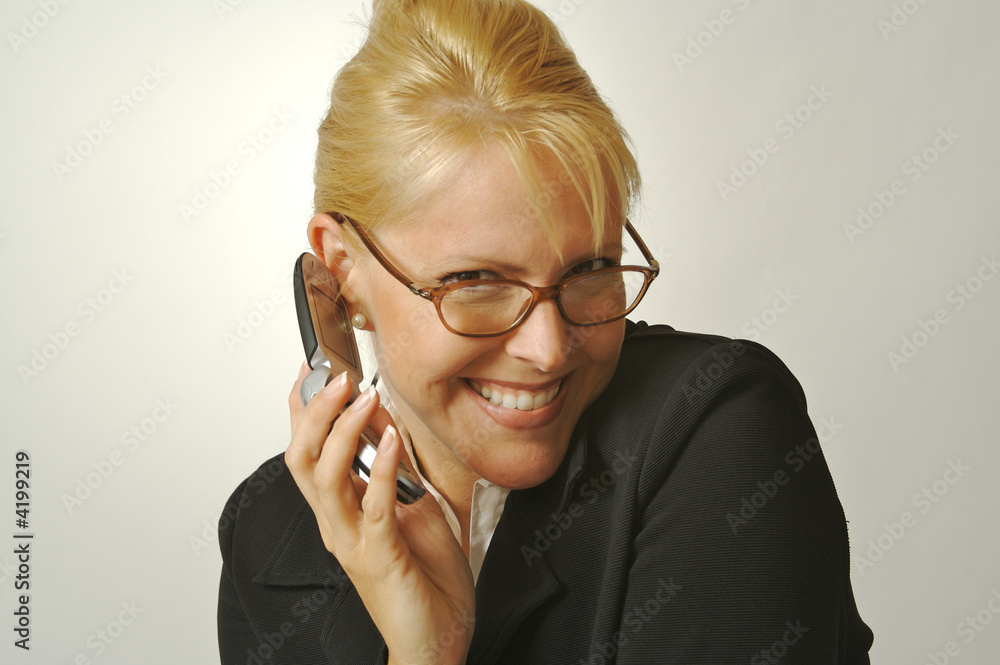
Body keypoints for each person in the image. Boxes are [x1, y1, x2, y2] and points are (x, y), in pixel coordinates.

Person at [217, 0, 874, 663]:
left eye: (590, 268)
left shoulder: (718, 431)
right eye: (476, 281)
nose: (548, 347)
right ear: (341, 272)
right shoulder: (265, 533)